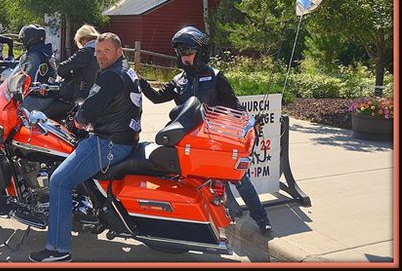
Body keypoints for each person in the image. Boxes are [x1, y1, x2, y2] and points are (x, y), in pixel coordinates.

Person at [138, 26, 273, 235]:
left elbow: (234, 105)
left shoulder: (216, 77)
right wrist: (140, 82)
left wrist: (250, 122)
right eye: (181, 53)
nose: (185, 57)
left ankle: (261, 219)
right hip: (187, 141)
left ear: (200, 52)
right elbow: (156, 98)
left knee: (239, 178)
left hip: (214, 139)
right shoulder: (178, 80)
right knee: (184, 179)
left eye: (188, 52)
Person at [29, 33, 142, 262]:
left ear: (119, 51)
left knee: (59, 181)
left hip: (108, 142)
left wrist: (78, 119)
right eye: (98, 52)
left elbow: (90, 109)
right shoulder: (125, 69)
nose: (100, 56)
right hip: (125, 138)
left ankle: (58, 249)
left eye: (106, 51)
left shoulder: (110, 76)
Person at [42, 24, 100, 121]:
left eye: (80, 41)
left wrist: (69, 76)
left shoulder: (85, 52)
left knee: (45, 115)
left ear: (84, 39)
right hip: (95, 98)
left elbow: (62, 68)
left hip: (79, 98)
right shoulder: (101, 53)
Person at [18, 24, 57, 113]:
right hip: (47, 93)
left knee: (15, 111)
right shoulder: (44, 51)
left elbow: (28, 77)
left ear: (31, 38)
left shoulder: (35, 55)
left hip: (38, 96)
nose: (23, 40)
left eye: (24, 38)